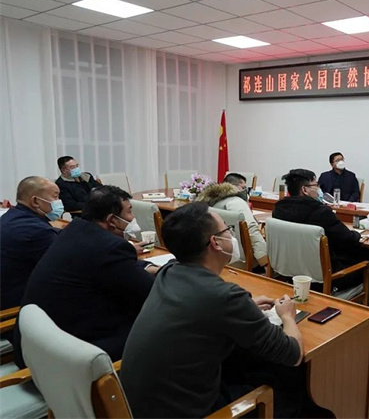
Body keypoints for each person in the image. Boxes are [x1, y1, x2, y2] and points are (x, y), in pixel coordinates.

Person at [121, 202, 303, 418]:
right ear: (215, 242)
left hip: (141, 406)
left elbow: (200, 310)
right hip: (186, 411)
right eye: (227, 229)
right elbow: (293, 354)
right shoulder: (224, 296)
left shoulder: (169, 271)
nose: (231, 236)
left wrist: (246, 308)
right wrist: (287, 316)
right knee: (285, 388)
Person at [12, 185, 158, 368]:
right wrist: (170, 272)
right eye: (129, 212)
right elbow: (151, 294)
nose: (132, 217)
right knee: (161, 323)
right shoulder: (109, 247)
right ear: (112, 220)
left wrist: (146, 267)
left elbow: (109, 267)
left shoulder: (75, 231)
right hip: (68, 356)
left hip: (36, 346)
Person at [273, 169, 365, 278]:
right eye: (316, 185)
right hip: (326, 275)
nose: (319, 189)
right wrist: (357, 234)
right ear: (304, 190)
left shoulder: (278, 210)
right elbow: (348, 238)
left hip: (287, 271)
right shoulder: (321, 213)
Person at [0, 177, 62, 310]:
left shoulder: (13, 216)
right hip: (15, 305)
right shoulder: (37, 232)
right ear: (35, 201)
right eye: (55, 197)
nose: (59, 202)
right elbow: (64, 268)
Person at [197, 174, 268, 269]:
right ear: (233, 186)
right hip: (240, 259)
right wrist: (265, 262)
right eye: (243, 187)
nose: (245, 191)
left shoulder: (211, 202)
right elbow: (251, 230)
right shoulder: (236, 202)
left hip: (215, 256)